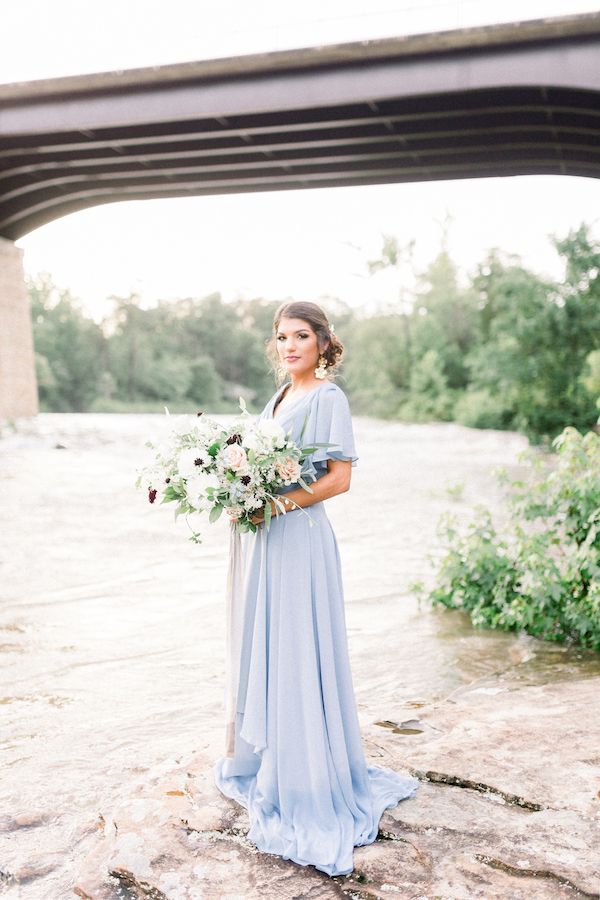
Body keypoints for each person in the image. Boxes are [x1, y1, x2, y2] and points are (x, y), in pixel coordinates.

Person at [212, 301, 419, 877]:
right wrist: (240, 497)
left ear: (323, 342)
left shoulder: (328, 398)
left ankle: (309, 776)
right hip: (269, 539)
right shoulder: (278, 399)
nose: (289, 346)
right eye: (281, 337)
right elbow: (258, 465)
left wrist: (273, 503)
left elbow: (340, 477)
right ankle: (275, 756)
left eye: (301, 336)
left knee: (301, 647)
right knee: (272, 644)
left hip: (300, 538)